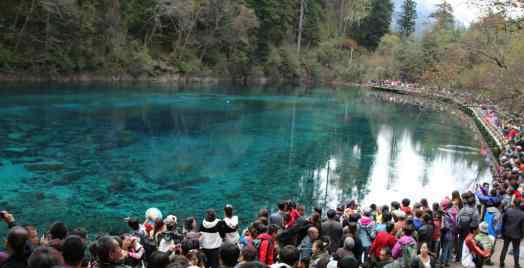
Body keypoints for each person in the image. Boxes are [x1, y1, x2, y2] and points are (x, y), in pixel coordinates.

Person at [456, 192, 480, 263]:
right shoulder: (474, 210)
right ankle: (467, 257)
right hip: (470, 230)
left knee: (460, 243)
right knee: (469, 244)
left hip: (461, 229)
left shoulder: (462, 210)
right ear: (473, 203)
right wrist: (472, 228)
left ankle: (458, 257)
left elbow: (457, 219)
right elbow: (476, 221)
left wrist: (459, 227)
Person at [500, 200, 524, 268]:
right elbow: (523, 227)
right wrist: (522, 235)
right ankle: (516, 265)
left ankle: (501, 263)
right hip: (517, 234)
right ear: (520, 204)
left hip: (507, 232)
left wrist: (502, 231)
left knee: (505, 248)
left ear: (513, 203)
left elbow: (503, 221)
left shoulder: (508, 211)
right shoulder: (522, 214)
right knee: (516, 249)